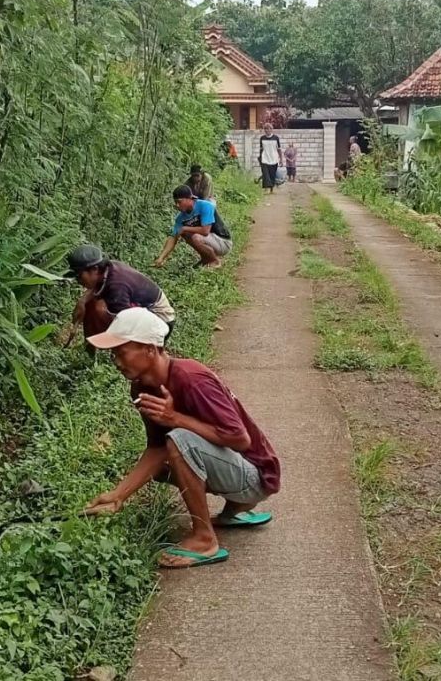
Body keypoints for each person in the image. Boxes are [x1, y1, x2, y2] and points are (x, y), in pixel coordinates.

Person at [83, 308, 280, 568]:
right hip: (232, 469)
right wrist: (119, 495)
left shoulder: (191, 378)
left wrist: (175, 419)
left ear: (150, 349)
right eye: (113, 354)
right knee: (163, 461)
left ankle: (204, 538)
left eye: (121, 351)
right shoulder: (141, 386)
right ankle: (233, 510)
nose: (116, 360)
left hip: (256, 477)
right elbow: (155, 448)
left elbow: (239, 439)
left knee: (179, 441)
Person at [63, 245, 175, 347]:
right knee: (92, 305)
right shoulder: (108, 269)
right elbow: (95, 289)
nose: (78, 281)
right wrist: (82, 302)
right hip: (140, 312)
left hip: (160, 321)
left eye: (79, 276)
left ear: (94, 269)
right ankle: (90, 347)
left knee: (101, 311)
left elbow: (125, 323)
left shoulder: (117, 287)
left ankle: (101, 348)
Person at [154, 185, 232, 269]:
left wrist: (184, 228)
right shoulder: (180, 218)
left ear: (189, 198)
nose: (177, 205)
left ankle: (214, 261)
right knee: (186, 234)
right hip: (209, 240)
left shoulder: (205, 206)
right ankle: (206, 259)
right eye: (175, 202)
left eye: (179, 202)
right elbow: (173, 237)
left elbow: (205, 231)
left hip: (223, 242)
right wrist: (161, 258)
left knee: (194, 236)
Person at [257, 123, 283, 194]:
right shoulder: (262, 138)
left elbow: (279, 149)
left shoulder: (276, 138)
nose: (267, 130)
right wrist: (260, 157)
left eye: (269, 129)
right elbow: (261, 149)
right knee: (265, 174)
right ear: (264, 130)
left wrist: (281, 159)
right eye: (266, 129)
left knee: (272, 174)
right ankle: (266, 189)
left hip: (274, 159)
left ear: (272, 130)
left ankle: (271, 189)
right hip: (265, 158)